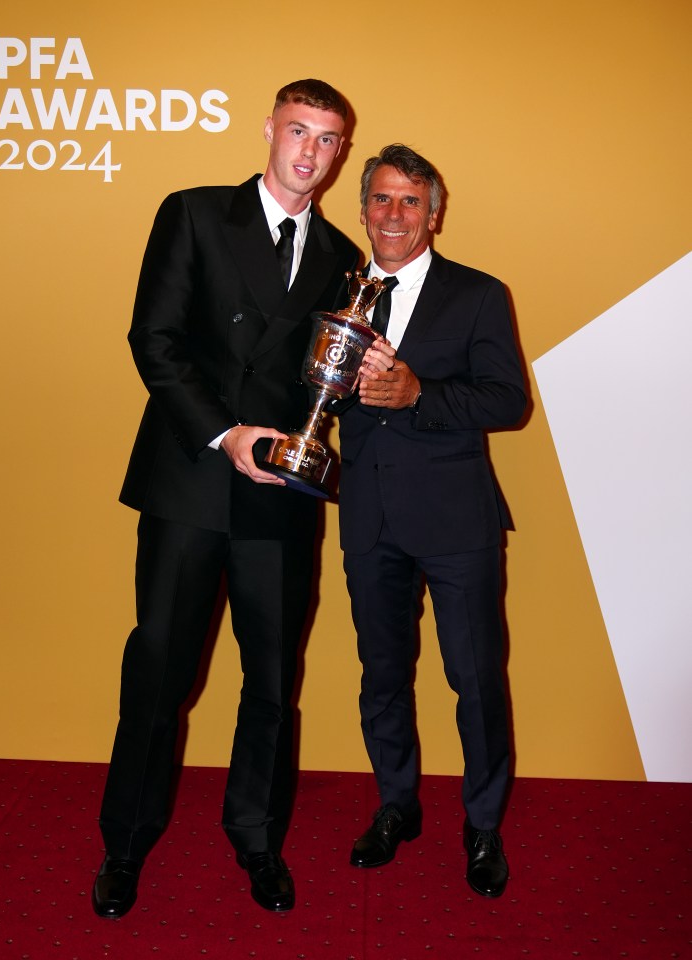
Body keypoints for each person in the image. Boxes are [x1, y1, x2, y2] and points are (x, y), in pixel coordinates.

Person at [92, 79, 358, 919]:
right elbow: (155, 339)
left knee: (272, 682)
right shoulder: (196, 213)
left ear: (340, 152)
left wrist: (367, 383)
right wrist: (226, 434)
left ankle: (256, 838)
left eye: (326, 139)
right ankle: (125, 846)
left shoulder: (344, 261)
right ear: (269, 130)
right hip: (191, 478)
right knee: (158, 672)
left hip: (278, 495)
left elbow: (320, 388)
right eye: (298, 131)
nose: (308, 151)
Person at [335, 144, 526, 898]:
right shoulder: (339, 294)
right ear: (361, 210)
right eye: (380, 199)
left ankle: (482, 826)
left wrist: (418, 393)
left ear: (434, 214)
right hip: (368, 517)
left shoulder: (478, 294)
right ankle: (395, 806)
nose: (392, 214)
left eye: (409, 202)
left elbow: (506, 402)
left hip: (456, 522)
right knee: (382, 677)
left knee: (474, 680)